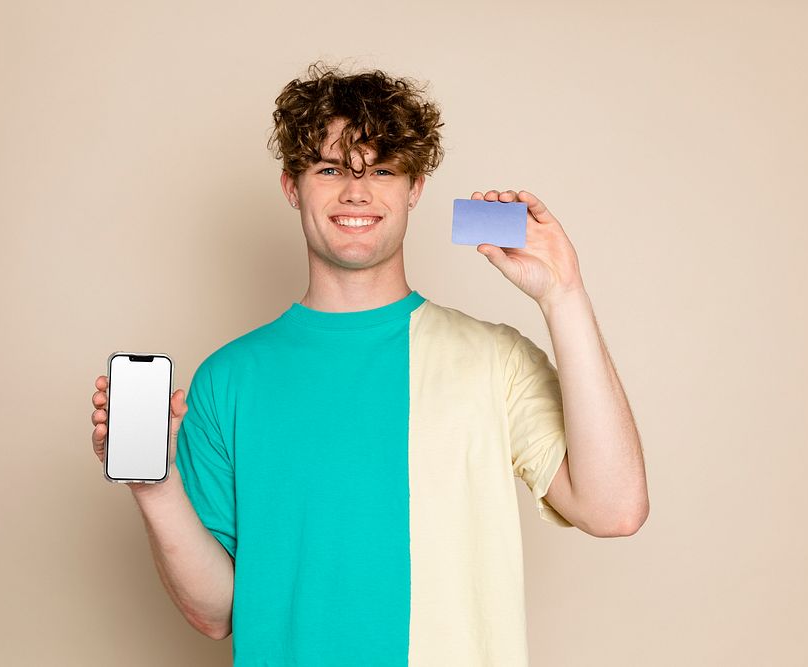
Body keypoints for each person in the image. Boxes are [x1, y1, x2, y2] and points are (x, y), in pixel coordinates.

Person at [90, 61, 648, 666]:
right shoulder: (228, 378)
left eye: (381, 170)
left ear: (416, 189)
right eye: (330, 169)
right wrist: (155, 485)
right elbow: (215, 612)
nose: (356, 192)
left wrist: (563, 294)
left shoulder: (495, 359)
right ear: (290, 186)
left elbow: (614, 509)